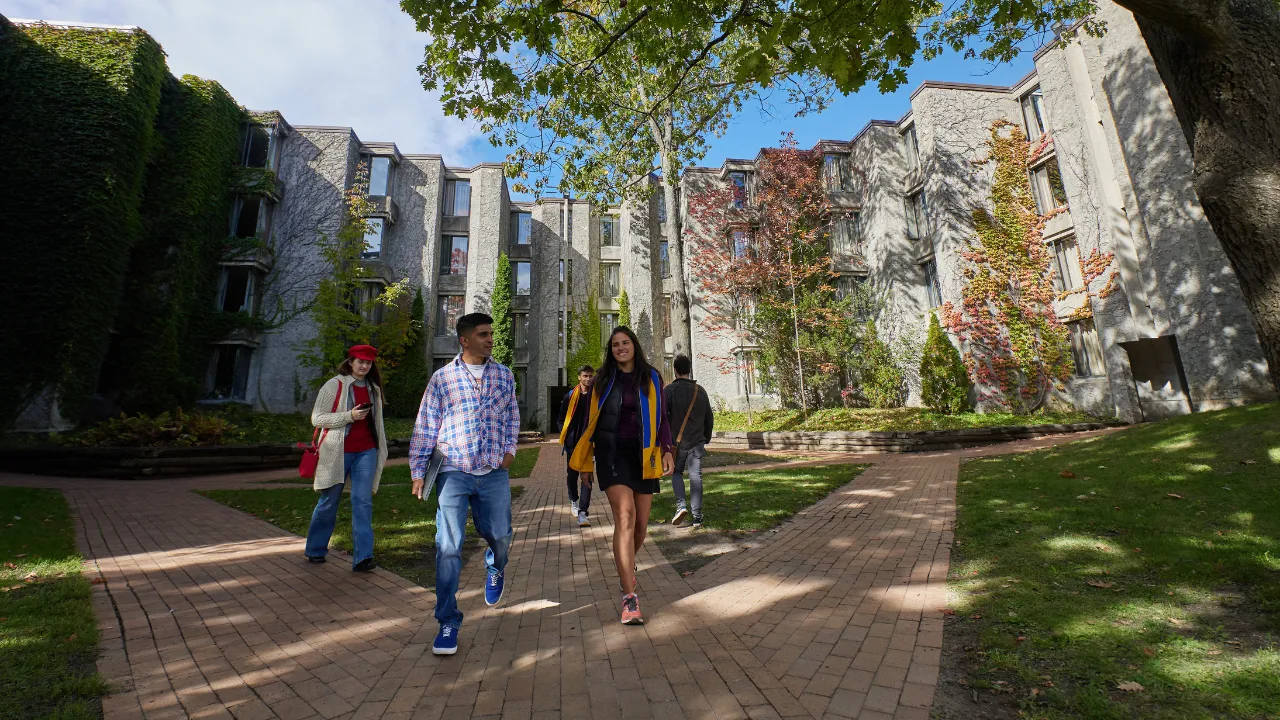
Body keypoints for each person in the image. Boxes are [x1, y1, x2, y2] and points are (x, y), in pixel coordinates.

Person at [410, 313, 520, 656]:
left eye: (491, 333)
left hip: (493, 472)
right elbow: (426, 424)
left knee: (501, 535)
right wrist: (417, 470)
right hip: (453, 471)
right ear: (465, 340)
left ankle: (495, 565)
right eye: (484, 334)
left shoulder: (503, 375)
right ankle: (447, 620)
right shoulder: (442, 379)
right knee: (448, 547)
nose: (490, 339)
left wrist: (510, 452)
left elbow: (512, 415)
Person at [570, 326, 673, 625]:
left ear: (634, 345)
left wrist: (667, 448)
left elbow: (663, 418)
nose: (620, 348)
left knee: (640, 528)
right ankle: (630, 598)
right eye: (615, 344)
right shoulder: (603, 379)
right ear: (610, 350)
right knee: (625, 517)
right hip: (611, 454)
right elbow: (589, 422)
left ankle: (624, 567)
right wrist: (586, 464)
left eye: (625, 343)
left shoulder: (652, 376)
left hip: (644, 455)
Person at [304, 344, 389, 572]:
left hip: (367, 451)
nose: (364, 366)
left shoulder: (373, 388)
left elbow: (377, 423)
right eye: (360, 361)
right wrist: (349, 416)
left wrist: (382, 446)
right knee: (329, 501)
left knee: (362, 502)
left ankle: (363, 557)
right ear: (350, 361)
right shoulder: (335, 384)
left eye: (368, 362)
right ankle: (315, 549)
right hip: (338, 451)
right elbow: (317, 419)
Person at [663, 354, 715, 528]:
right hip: (696, 442)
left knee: (676, 473)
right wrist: (706, 437)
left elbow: (662, 418)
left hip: (676, 443)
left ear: (675, 370)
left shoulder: (669, 391)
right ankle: (698, 517)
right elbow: (709, 417)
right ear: (689, 370)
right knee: (696, 477)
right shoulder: (700, 391)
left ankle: (681, 505)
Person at [558, 365, 596, 528]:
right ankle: (574, 500)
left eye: (590, 376)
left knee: (587, 477)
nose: (588, 379)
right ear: (579, 377)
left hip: (589, 443)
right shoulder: (569, 397)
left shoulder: (596, 396)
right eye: (585, 376)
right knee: (572, 475)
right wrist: (566, 437)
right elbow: (560, 420)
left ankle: (583, 512)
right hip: (573, 443)